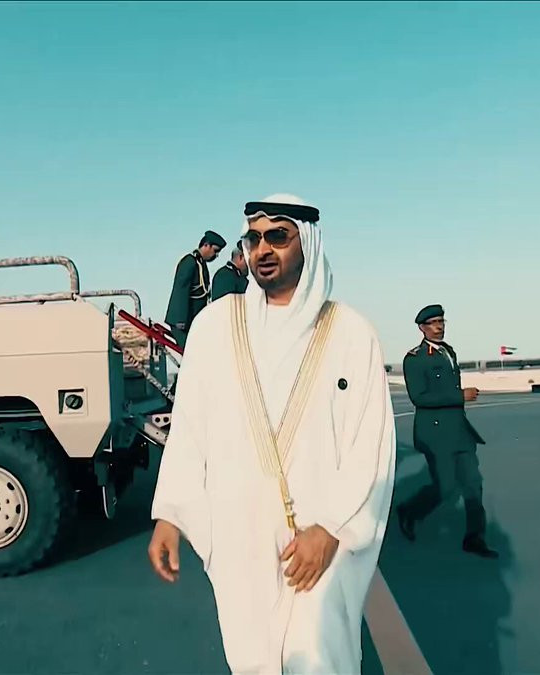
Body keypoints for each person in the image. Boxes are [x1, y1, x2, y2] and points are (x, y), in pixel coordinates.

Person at [148, 194, 396, 674]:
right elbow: (190, 428)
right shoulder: (215, 327)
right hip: (240, 535)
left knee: (320, 658)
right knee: (252, 660)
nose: (263, 249)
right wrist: (171, 515)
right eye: (254, 238)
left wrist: (332, 529)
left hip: (320, 541)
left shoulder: (350, 333)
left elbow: (372, 445)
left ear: (308, 243)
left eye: (278, 236)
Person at [396, 305, 498, 559]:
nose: (439, 327)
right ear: (422, 328)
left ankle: (475, 539)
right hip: (435, 434)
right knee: (446, 487)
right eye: (433, 323)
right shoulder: (415, 358)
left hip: (460, 432)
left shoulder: (448, 352)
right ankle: (409, 511)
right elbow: (419, 397)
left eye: (441, 321)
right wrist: (459, 396)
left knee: (473, 484)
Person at [165, 230, 227, 347]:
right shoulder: (189, 262)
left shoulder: (201, 264)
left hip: (193, 321)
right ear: (206, 245)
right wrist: (180, 321)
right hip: (183, 321)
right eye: (215, 251)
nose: (216, 255)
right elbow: (181, 291)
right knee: (190, 352)